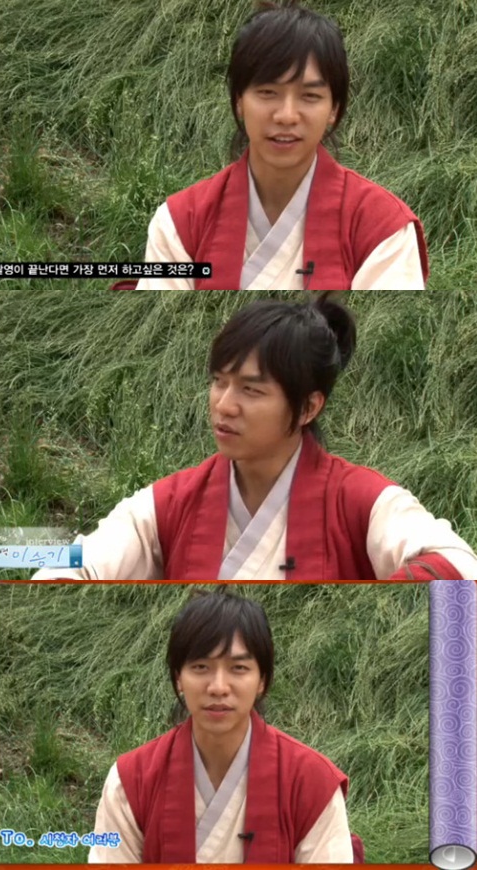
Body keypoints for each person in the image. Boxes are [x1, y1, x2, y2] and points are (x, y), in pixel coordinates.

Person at [32, 295, 477, 582]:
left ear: (308, 407)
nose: (224, 405)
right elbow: (76, 563)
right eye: (219, 382)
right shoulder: (171, 503)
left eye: (251, 389)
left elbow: (458, 564)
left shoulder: (362, 501)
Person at [134, 3, 428, 291]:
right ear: (239, 101)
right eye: (267, 92)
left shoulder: (381, 226)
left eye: (310, 96)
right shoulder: (180, 221)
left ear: (334, 109)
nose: (286, 116)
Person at [88, 590, 360, 863]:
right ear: (178, 677)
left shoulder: (311, 781)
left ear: (262, 680)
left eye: (238, 668)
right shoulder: (131, 780)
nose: (218, 687)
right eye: (200, 667)